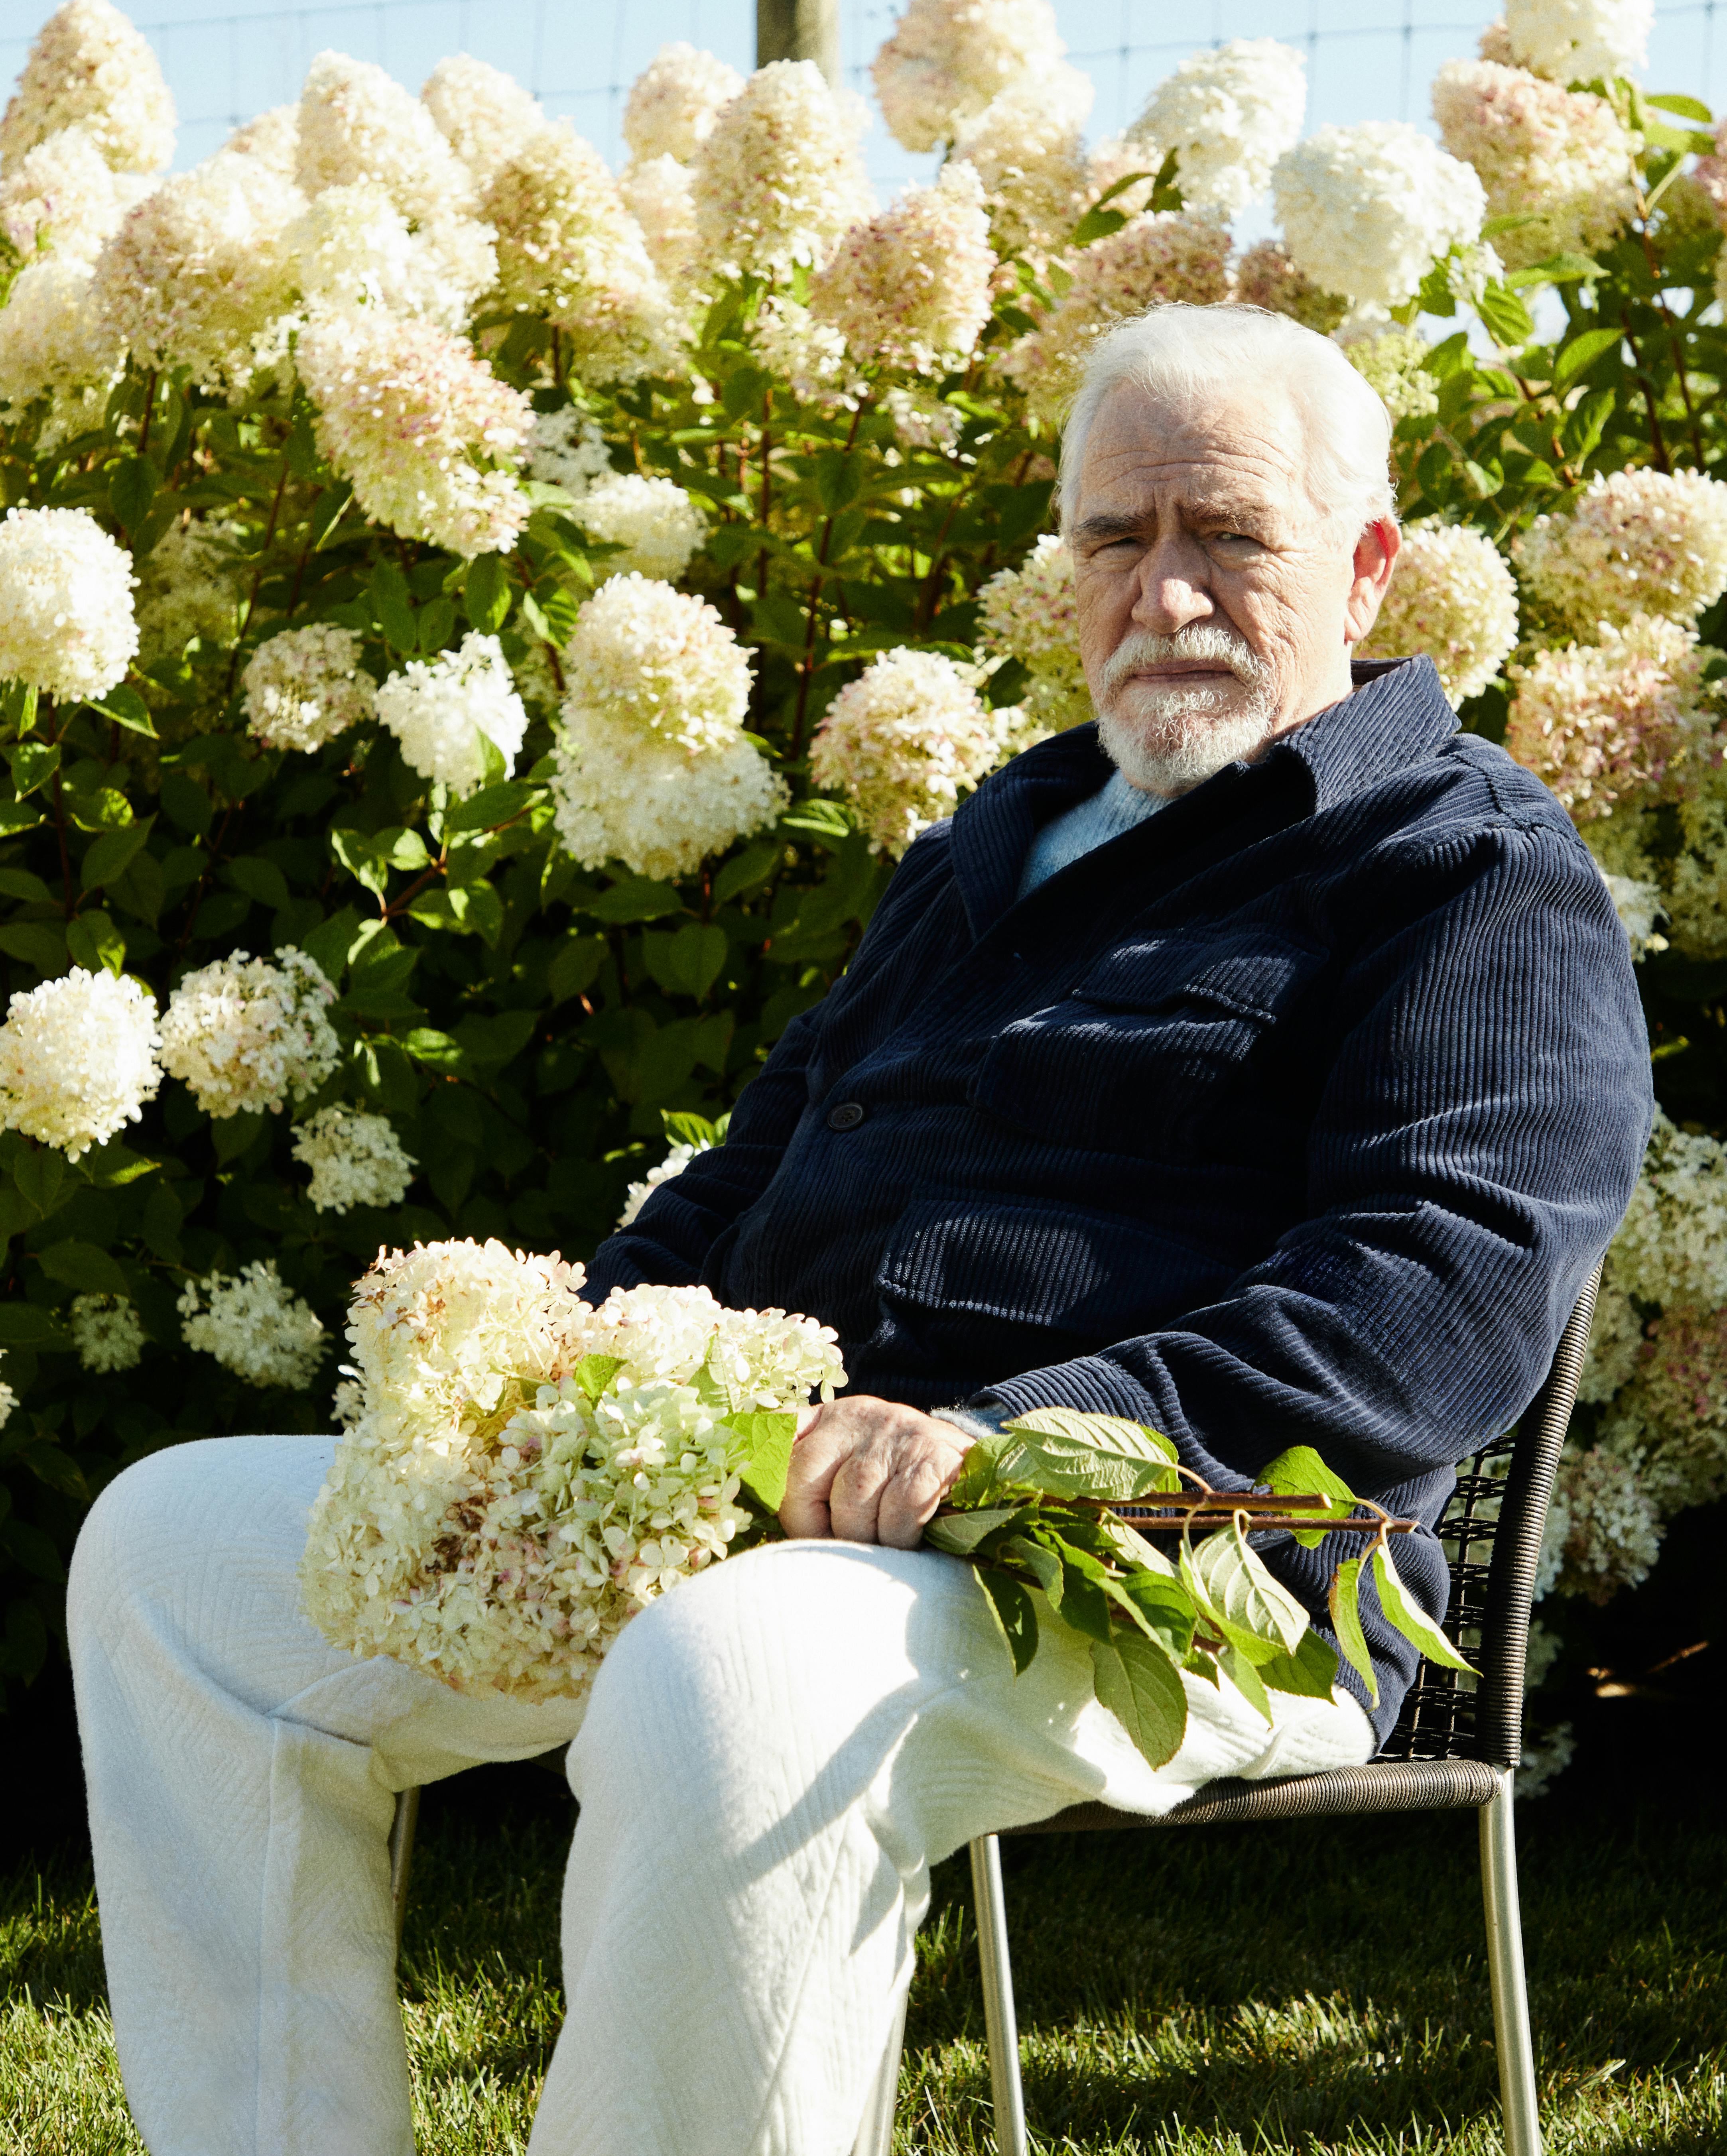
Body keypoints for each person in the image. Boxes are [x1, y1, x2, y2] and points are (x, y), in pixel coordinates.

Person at [69, 303, 1652, 2156]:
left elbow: (1441, 1290)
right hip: (771, 1493)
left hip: (1165, 1555)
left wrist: (1010, 1436)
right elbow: (750, 1177)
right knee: (179, 1554)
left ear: (1366, 562)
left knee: (733, 1670)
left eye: (1228, 531)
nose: (1164, 591)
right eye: (1111, 538)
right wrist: (580, 1383)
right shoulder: (998, 845)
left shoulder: (1465, 868)